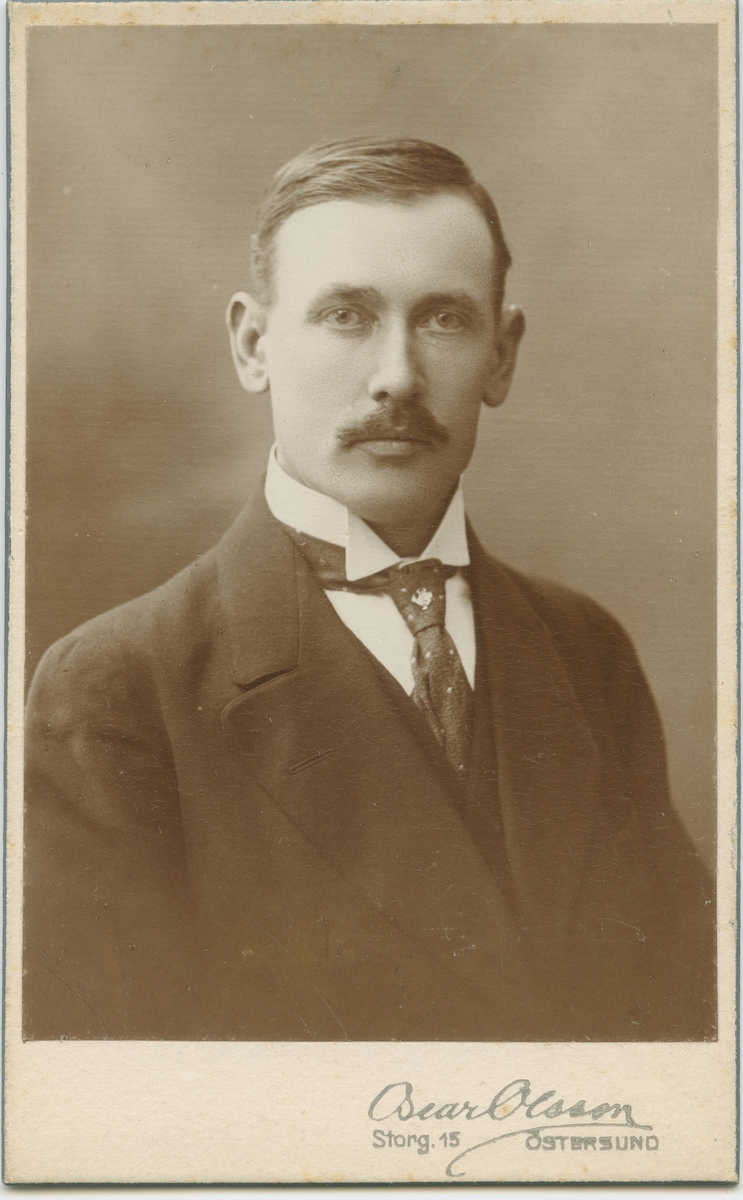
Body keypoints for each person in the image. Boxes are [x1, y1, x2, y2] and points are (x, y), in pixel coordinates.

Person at [23, 137, 715, 1042]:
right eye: (346, 316)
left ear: (501, 356)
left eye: (443, 319)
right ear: (253, 344)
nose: (396, 377)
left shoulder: (585, 652)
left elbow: (681, 1035)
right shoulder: (117, 687)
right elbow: (112, 1093)